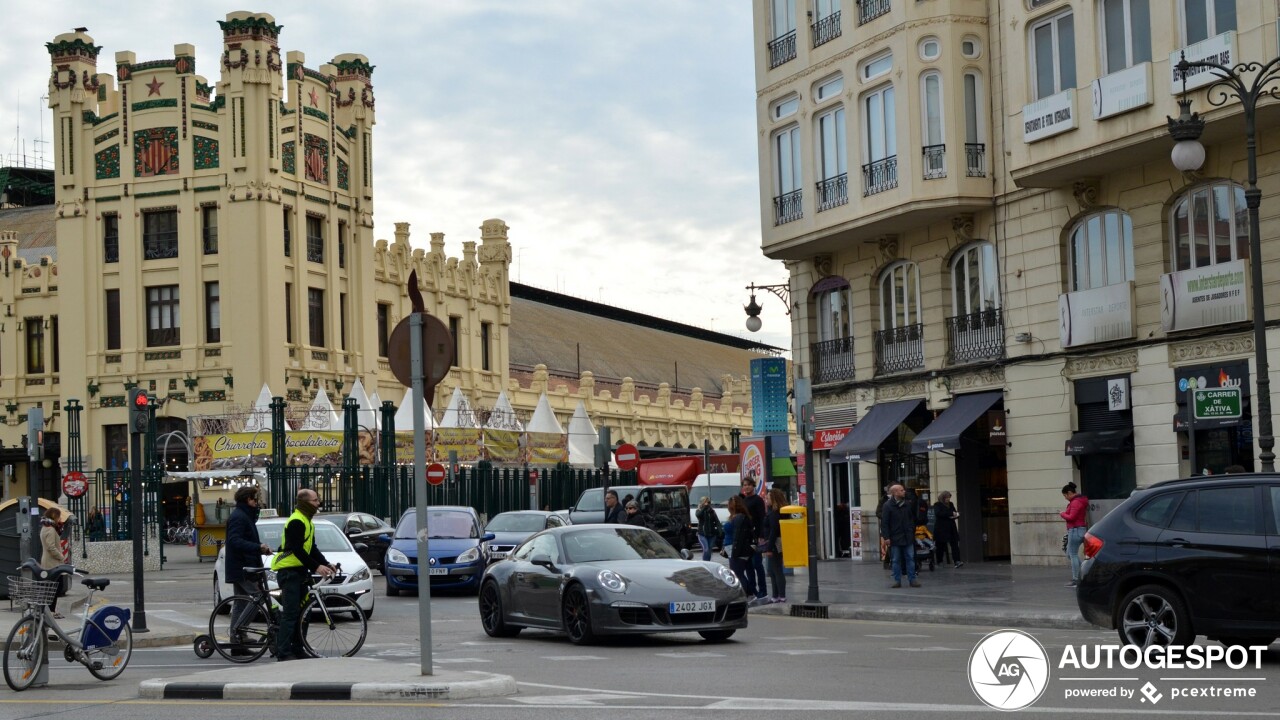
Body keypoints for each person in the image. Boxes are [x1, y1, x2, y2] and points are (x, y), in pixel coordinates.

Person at [270, 488, 336, 661]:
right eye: (315, 500)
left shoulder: (307, 521)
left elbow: (311, 548)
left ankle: (299, 649)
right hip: (289, 572)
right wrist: (316, 567)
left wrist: (325, 563)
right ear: (305, 503)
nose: (318, 503)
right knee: (291, 614)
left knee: (303, 613)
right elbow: (297, 549)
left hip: (299, 571)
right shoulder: (296, 521)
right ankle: (283, 652)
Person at [225, 486, 272, 644]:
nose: (257, 502)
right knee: (258, 597)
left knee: (241, 601)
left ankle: (237, 639)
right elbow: (234, 540)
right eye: (254, 499)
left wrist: (260, 548)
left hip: (244, 565)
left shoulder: (245, 515)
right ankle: (238, 631)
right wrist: (257, 547)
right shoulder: (239, 517)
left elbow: (246, 540)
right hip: (242, 566)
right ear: (248, 499)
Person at [880, 484, 920, 588]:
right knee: (896, 559)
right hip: (895, 537)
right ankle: (897, 580)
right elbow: (884, 523)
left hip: (907, 536)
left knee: (910, 558)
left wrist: (911, 530)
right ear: (895, 493)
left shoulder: (907, 504)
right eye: (901, 490)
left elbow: (911, 519)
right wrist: (886, 537)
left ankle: (912, 579)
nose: (904, 492)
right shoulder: (888, 505)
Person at [738, 476, 769, 601]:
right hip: (747, 537)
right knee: (748, 565)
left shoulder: (758, 500)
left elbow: (762, 518)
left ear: (753, 486)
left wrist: (762, 536)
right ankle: (753, 590)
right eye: (744, 485)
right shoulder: (744, 501)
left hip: (756, 537)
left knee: (757, 564)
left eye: (748, 485)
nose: (746, 487)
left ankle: (763, 590)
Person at [724, 495, 758, 597]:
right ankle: (750, 593)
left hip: (736, 548)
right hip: (733, 547)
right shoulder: (739, 517)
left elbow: (738, 536)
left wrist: (735, 551)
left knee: (737, 573)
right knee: (738, 572)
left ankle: (749, 594)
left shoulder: (738, 517)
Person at [39, 507, 68, 618]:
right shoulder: (50, 529)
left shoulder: (45, 527)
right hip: (52, 563)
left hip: (48, 561)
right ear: (54, 516)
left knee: (53, 588)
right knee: (55, 588)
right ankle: (50, 612)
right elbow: (51, 547)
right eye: (59, 516)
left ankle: (51, 611)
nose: (60, 518)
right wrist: (61, 557)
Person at [761, 488, 787, 604]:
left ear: (774, 499)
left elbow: (773, 531)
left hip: (775, 543)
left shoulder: (774, 513)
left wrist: (769, 547)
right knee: (772, 570)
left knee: (776, 570)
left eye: (768, 497)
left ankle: (780, 596)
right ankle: (776, 595)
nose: (766, 499)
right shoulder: (775, 511)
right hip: (775, 543)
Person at [1060, 482, 1089, 588]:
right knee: (1070, 554)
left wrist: (1062, 514)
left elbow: (1071, 517)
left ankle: (1077, 579)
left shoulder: (1075, 502)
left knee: (1072, 554)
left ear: (1069, 493)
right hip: (1079, 530)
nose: (1065, 498)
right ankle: (1084, 571)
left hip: (1075, 530)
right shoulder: (1080, 500)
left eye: (1065, 495)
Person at [932, 491, 963, 568]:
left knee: (955, 544)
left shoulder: (951, 504)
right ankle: (939, 561)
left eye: (949, 497)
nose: (948, 499)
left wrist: (956, 515)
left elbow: (954, 512)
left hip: (951, 527)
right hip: (941, 528)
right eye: (946, 497)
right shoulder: (937, 504)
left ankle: (957, 561)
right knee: (940, 545)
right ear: (943, 497)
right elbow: (939, 514)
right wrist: (951, 513)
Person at [695, 496, 722, 562]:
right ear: (702, 503)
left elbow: (717, 521)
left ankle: (708, 562)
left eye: (708, 502)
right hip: (702, 534)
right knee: (706, 549)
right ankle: (705, 563)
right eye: (705, 502)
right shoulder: (698, 510)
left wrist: (720, 531)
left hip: (712, 534)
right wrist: (704, 508)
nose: (707, 503)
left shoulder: (712, 511)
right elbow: (698, 515)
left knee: (709, 550)